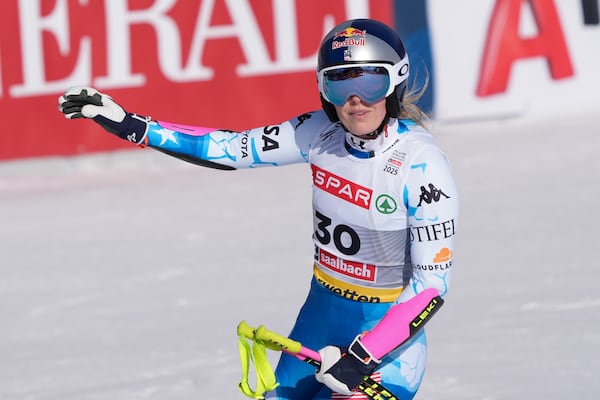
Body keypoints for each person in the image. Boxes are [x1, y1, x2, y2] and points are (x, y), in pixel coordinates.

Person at [58, 18, 458, 400]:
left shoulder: (421, 166)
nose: (355, 101)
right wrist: (132, 125)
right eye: (338, 86)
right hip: (319, 322)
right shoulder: (318, 133)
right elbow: (231, 150)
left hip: (386, 346)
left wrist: (364, 356)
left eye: (370, 83)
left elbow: (431, 285)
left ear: (395, 82)